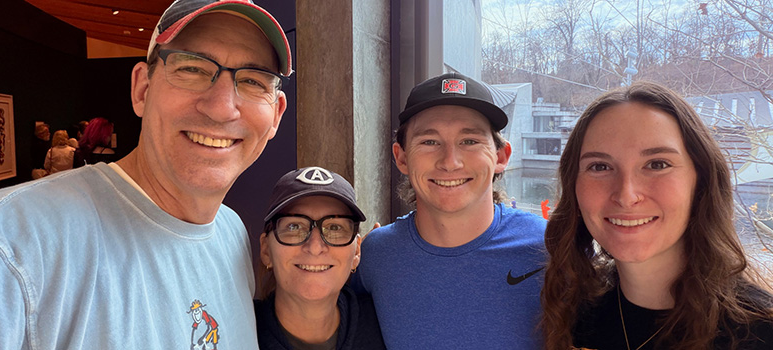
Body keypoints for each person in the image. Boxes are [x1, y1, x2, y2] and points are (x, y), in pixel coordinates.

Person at [0, 0, 292, 348]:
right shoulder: (7, 245)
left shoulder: (231, 233)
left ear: (275, 115)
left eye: (252, 80)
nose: (221, 107)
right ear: (142, 89)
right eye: (192, 69)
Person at [541, 81, 773, 350]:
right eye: (600, 166)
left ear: (701, 181)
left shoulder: (759, 333)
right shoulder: (574, 311)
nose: (626, 195)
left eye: (657, 164)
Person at [353, 72, 547, 349]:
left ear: (501, 156)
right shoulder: (376, 254)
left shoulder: (550, 247)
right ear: (402, 157)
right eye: (429, 142)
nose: (450, 162)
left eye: (469, 141)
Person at [255, 166, 385, 349]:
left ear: (356, 252)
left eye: (334, 228)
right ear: (266, 250)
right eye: (294, 227)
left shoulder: (384, 323)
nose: (315, 247)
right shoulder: (236, 331)